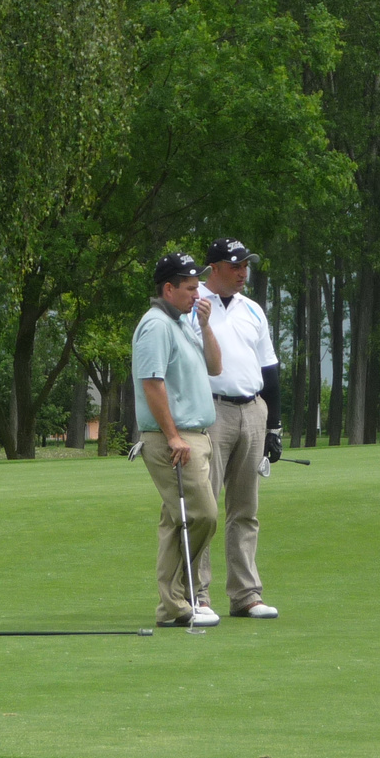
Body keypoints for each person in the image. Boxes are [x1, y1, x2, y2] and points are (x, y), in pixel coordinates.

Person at [132, 252, 223, 628]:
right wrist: (172, 436)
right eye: (189, 287)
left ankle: (173, 608)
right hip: (174, 439)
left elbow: (215, 367)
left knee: (176, 522)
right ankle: (177, 602)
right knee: (202, 514)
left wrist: (205, 326)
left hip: (197, 436)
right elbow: (151, 383)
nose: (197, 293)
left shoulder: (185, 322)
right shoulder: (155, 325)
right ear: (168, 289)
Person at [195, 239, 283, 619]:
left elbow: (269, 370)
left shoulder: (252, 310)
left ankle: (246, 595)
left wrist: (274, 426)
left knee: (245, 509)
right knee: (205, 509)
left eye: (246, 265)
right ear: (213, 268)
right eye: (236, 266)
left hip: (252, 409)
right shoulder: (191, 303)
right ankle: (196, 595)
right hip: (210, 411)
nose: (244, 273)